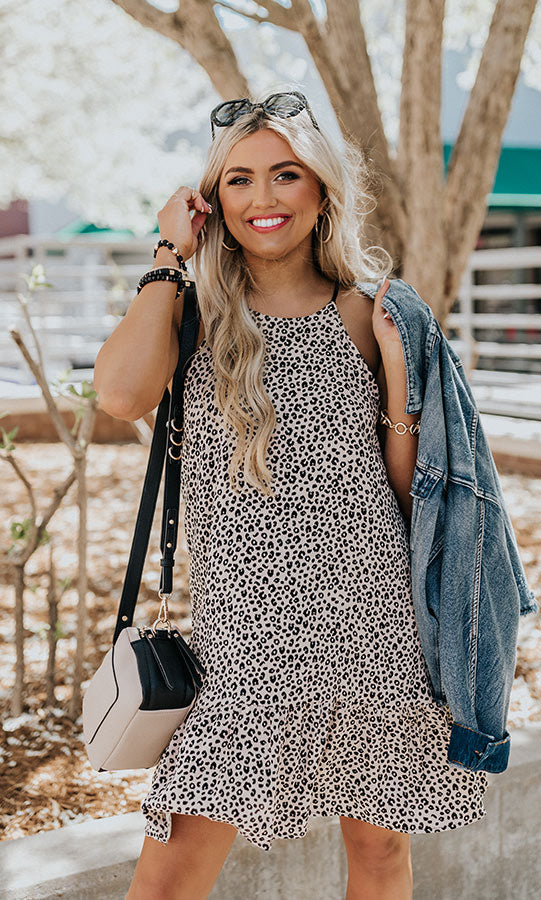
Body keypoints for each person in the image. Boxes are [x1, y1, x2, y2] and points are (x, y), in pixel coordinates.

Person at [93, 89, 489, 900]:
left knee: (379, 855)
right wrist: (171, 252)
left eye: (285, 175)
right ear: (213, 199)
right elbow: (121, 398)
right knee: (170, 874)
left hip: (371, 630)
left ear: (322, 191)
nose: (263, 199)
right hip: (243, 650)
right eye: (238, 180)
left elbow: (413, 497)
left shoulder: (371, 311)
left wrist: (402, 392)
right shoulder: (191, 309)